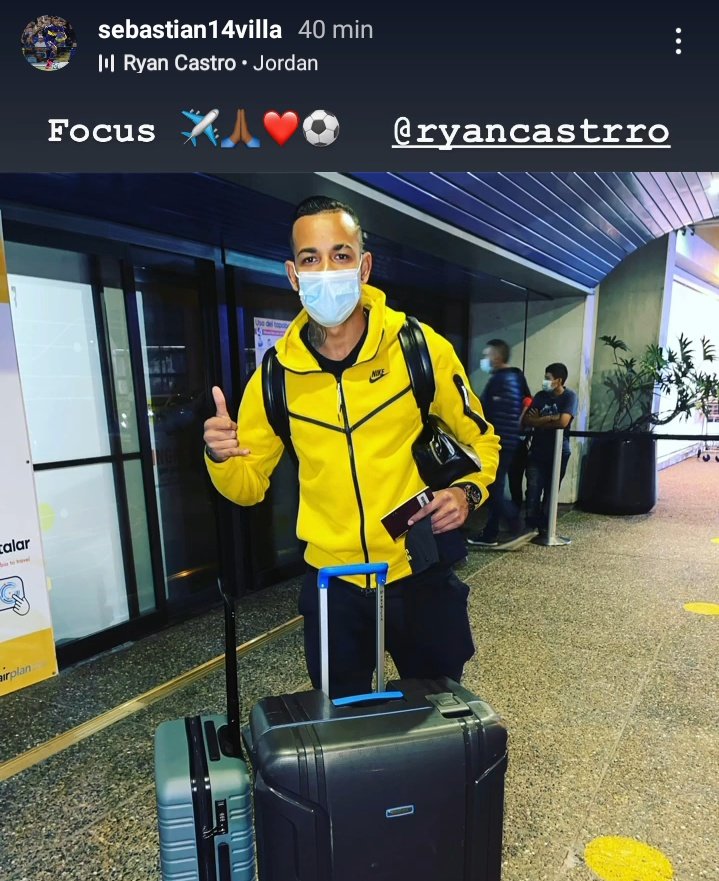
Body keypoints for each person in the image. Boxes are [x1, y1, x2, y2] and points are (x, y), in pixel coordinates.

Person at [203, 196, 500, 698]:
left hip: (417, 569)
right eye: (311, 258)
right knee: (343, 721)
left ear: (363, 267)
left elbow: (482, 439)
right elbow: (247, 487)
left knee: (437, 714)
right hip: (333, 584)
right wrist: (220, 456)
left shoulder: (419, 348)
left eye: (340, 255)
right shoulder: (275, 376)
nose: (326, 270)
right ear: (294, 275)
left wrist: (467, 492)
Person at [467, 339, 534, 548]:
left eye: (487, 355)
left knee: (491, 489)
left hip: (498, 442)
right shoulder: (514, 378)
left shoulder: (499, 380)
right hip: (509, 440)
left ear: (496, 357)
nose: (484, 359)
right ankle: (491, 532)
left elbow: (487, 412)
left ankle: (517, 526)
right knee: (496, 487)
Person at [522, 363, 578, 533]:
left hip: (559, 451)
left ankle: (546, 527)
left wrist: (539, 420)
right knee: (533, 489)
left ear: (558, 381)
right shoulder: (540, 396)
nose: (544, 381)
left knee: (551, 490)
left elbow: (563, 422)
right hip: (537, 450)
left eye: (548, 378)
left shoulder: (569, 397)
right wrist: (549, 418)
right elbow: (527, 420)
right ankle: (531, 525)